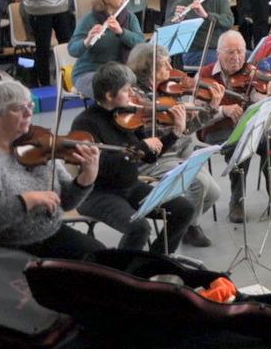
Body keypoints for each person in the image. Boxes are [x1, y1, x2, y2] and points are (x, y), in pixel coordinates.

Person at [0, 80, 104, 265]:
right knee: (40, 281)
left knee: (100, 258)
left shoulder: (39, 142)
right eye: (17, 108)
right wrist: (27, 200)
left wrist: (85, 179)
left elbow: (65, 202)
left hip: (44, 235)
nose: (29, 113)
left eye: (30, 105)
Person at [72, 62, 196, 254]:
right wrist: (140, 147)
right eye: (126, 90)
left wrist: (175, 133)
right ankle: (125, 275)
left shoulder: (129, 116)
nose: (133, 94)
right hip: (98, 193)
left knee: (184, 209)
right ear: (109, 95)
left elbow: (149, 158)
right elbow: (101, 165)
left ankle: (154, 261)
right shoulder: (85, 123)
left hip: (129, 186)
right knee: (139, 228)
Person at [124, 42, 221, 237]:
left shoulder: (167, 90)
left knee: (214, 193)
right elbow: (159, 143)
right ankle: (185, 229)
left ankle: (183, 224)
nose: (171, 68)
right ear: (148, 69)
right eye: (165, 65)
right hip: (155, 158)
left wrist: (210, 108)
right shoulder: (138, 100)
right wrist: (178, 127)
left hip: (179, 151)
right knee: (199, 184)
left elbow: (184, 131)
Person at [196, 31, 271, 222]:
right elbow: (199, 117)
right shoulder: (205, 75)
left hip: (247, 127)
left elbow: (258, 99)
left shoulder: (250, 72)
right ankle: (236, 200)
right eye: (230, 52)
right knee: (241, 145)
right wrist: (223, 110)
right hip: (216, 130)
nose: (237, 58)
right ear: (218, 53)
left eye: (240, 52)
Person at [69, 0, 144, 95]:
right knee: (113, 92)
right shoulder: (89, 19)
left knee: (142, 90)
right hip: (90, 72)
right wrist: (87, 41)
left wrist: (121, 32)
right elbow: (73, 50)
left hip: (121, 72)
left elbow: (141, 44)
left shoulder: (130, 17)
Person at [167, 0, 233, 63]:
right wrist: (177, 23)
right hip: (195, 52)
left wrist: (206, 16)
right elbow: (167, 32)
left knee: (250, 58)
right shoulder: (181, 3)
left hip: (221, 49)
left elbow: (229, 22)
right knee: (225, 61)